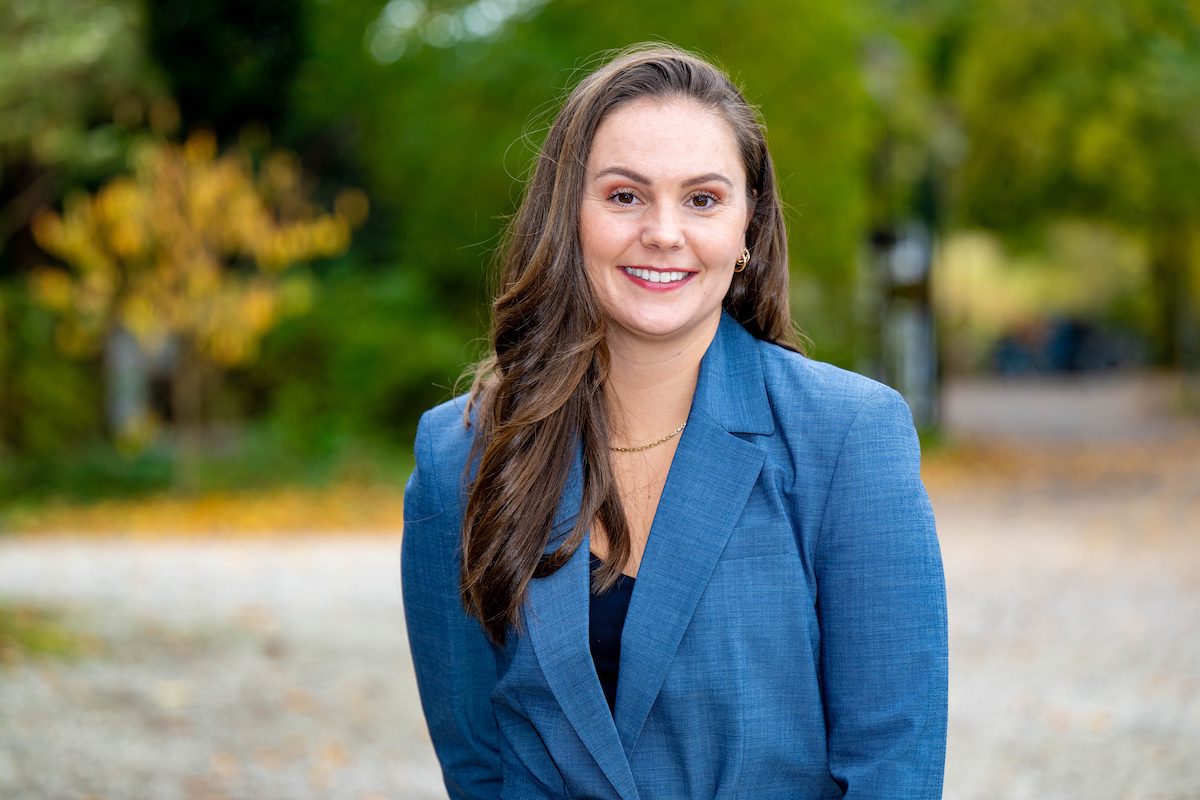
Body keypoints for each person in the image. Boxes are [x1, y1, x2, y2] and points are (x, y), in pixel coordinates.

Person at [402, 43, 948, 800]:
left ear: (748, 225)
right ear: (569, 215)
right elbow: (476, 763)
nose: (664, 232)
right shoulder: (460, 454)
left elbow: (894, 767)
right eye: (625, 195)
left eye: (702, 199)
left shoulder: (848, 438)